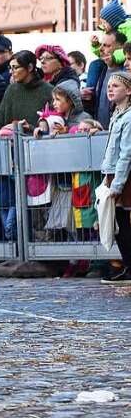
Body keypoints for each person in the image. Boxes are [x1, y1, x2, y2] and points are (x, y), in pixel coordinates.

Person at [100, 71, 131, 285]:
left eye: (116, 86)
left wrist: (117, 184)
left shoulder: (128, 117)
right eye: (109, 86)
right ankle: (127, 264)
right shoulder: (116, 115)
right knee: (117, 222)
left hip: (124, 176)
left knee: (123, 222)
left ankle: (129, 266)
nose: (110, 89)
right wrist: (106, 177)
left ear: (128, 90)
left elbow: (126, 153)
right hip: (113, 173)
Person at [0, 51, 56, 136]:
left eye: (15, 67)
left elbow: (54, 123)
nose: (11, 71)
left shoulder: (49, 91)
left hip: (38, 144)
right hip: (12, 144)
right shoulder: (12, 89)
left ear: (29, 67)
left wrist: (32, 129)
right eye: (10, 67)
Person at [85, 31, 126, 128]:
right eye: (101, 45)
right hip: (100, 134)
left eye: (107, 46)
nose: (101, 49)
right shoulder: (99, 69)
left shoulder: (126, 73)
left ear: (120, 48)